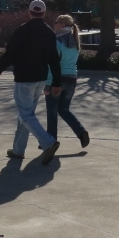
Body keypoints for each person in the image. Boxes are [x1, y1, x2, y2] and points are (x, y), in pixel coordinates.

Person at [0, 0, 62, 165]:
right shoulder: (49, 33)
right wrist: (57, 82)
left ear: (29, 12)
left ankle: (48, 142)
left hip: (24, 78)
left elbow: (10, 52)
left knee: (25, 115)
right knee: (26, 115)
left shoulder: (22, 30)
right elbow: (54, 59)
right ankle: (18, 150)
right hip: (40, 79)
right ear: (44, 13)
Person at [44, 14, 90, 148]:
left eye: (56, 22)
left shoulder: (56, 41)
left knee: (52, 112)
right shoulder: (74, 42)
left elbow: (52, 65)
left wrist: (48, 84)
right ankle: (81, 131)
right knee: (64, 109)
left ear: (62, 25)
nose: (54, 24)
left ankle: (50, 142)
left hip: (57, 80)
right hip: (72, 78)